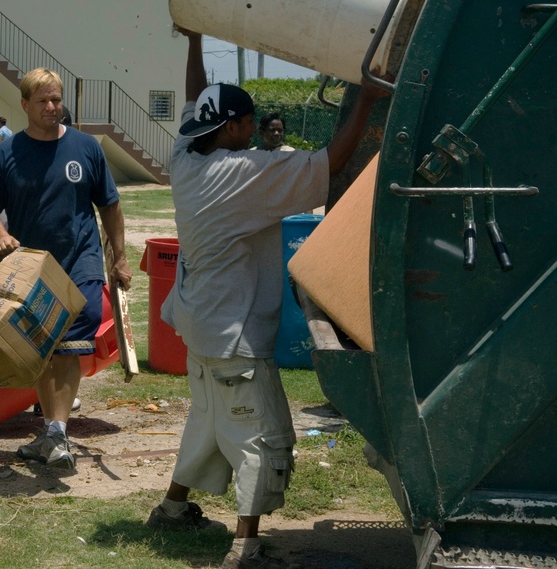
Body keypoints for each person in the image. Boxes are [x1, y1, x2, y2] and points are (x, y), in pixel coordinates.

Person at [148, 28, 385, 569]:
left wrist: (195, 42)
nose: (256, 131)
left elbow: (194, 98)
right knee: (265, 437)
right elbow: (328, 165)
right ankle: (245, 547)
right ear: (228, 127)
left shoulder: (186, 155)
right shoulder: (243, 174)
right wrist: (367, 99)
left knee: (208, 423)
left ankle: (172, 508)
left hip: (198, 325)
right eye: (249, 123)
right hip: (235, 334)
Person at [0, 68, 132, 469]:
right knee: (41, 349)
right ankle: (50, 432)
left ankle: (58, 432)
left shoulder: (86, 148)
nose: (51, 107)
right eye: (43, 101)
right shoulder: (5, 154)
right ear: (25, 105)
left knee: (71, 341)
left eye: (57, 99)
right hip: (29, 267)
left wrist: (120, 257)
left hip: (80, 260)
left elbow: (109, 205)